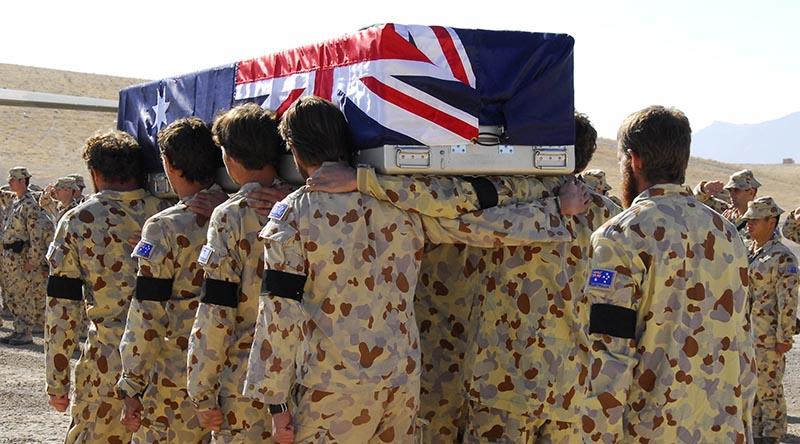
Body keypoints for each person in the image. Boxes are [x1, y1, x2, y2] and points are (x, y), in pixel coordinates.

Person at [244, 95, 590, 444]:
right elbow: (482, 228)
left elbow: (279, 310)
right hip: (400, 382)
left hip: (333, 387)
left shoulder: (293, 213)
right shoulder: (399, 201)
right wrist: (555, 210)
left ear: (296, 152)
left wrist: (276, 402)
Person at [580, 105, 756, 443]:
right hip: (722, 429)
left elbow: (609, 358)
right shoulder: (726, 233)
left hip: (652, 430)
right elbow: (742, 344)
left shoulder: (620, 236)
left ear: (635, 160)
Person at [45, 130, 170, 443]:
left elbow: (63, 309)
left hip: (108, 367)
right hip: (168, 365)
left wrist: (57, 383)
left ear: (95, 174)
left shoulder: (78, 221)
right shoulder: (168, 213)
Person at [186, 103, 293, 443]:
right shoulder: (304, 205)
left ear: (229, 158)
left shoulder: (230, 216)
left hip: (246, 383)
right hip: (303, 378)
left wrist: (201, 391)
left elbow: (215, 312)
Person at [116, 117, 223, 443]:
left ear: (170, 165)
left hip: (176, 383)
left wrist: (131, 385)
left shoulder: (165, 226)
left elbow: (147, 314)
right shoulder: (249, 212)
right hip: (233, 379)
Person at [741, 197, 798, 444]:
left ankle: (773, 435)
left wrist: (785, 337)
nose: (749, 224)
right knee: (750, 390)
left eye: (755, 220)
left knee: (769, 391)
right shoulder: (749, 251)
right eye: (748, 219)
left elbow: (788, 301)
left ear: (771, 222)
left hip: (769, 337)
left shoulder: (782, 257)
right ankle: (755, 433)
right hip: (747, 335)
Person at [0, 166, 53, 346]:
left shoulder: (30, 204)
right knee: (12, 295)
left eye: (13, 179)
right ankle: (18, 329)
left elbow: (35, 236)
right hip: (9, 257)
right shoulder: (15, 201)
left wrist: (33, 260)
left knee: (23, 295)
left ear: (22, 181)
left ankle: (25, 331)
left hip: (21, 257)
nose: (9, 182)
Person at [694, 169, 761, 237]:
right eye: (730, 190)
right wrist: (703, 190)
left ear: (751, 192)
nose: (731, 195)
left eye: (736, 190)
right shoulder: (726, 211)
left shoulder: (760, 221)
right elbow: (694, 203)